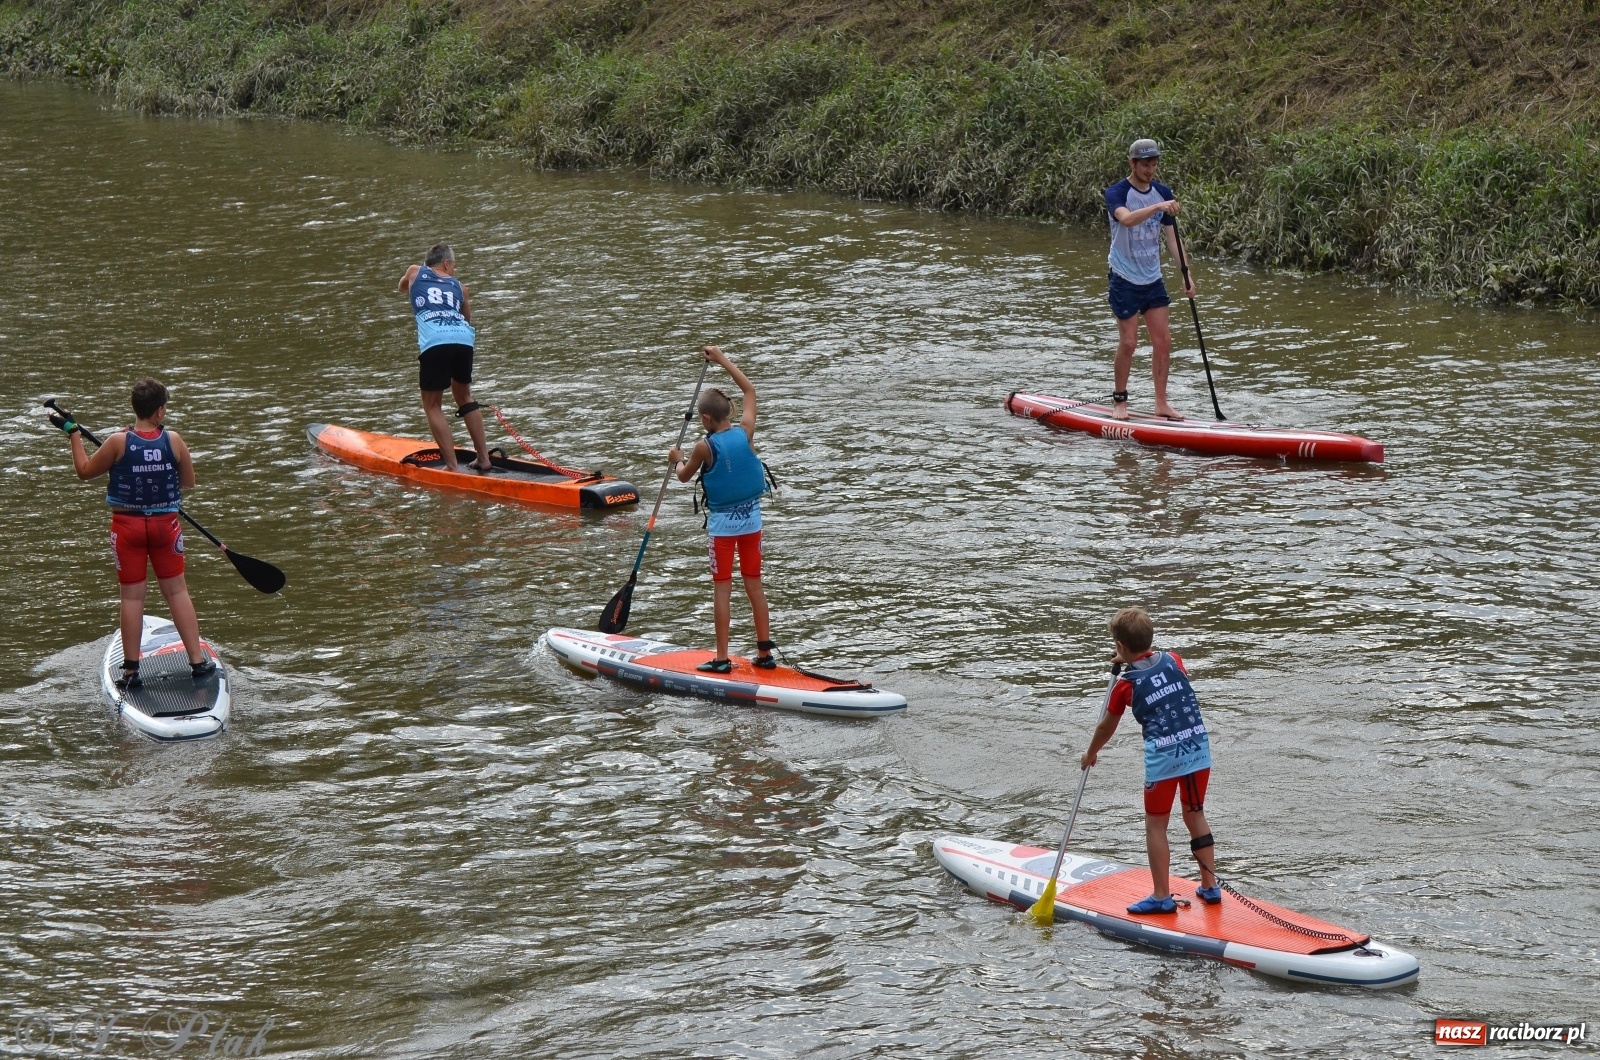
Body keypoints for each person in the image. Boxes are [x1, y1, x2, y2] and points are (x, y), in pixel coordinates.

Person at [54, 379, 216, 689]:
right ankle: (197, 663)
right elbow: (188, 483)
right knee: (177, 592)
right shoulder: (174, 440)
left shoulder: (117, 441)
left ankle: (130, 673)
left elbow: (84, 472)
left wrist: (74, 434)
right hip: (165, 527)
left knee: (131, 596)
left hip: (127, 528)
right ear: (158, 412)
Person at [1079, 607, 1221, 914]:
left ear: (1119, 646)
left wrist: (1091, 753)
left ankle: (1161, 896)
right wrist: (1131, 658)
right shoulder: (1176, 659)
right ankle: (1210, 888)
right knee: (1194, 813)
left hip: (1165, 759)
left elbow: (1106, 726)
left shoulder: (1125, 687)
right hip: (1198, 748)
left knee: (1156, 826)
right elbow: (1152, 662)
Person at [667, 346, 775, 674]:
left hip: (723, 532)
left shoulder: (703, 446)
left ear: (705, 419)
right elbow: (750, 389)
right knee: (754, 585)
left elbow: (685, 477)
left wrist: (677, 460)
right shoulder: (746, 430)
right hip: (752, 523)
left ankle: (722, 659)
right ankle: (764, 653)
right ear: (729, 411)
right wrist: (722, 359)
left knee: (723, 590)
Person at [1104, 138, 1194, 422]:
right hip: (1124, 277)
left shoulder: (1162, 192)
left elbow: (1172, 240)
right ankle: (1120, 402)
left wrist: (1186, 274)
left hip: (1152, 278)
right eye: (1145, 164)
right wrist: (1157, 207)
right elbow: (1127, 220)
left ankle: (1162, 404)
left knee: (1163, 340)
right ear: (1132, 163)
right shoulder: (1116, 193)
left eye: (1154, 164)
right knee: (1129, 343)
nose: (1150, 169)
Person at [398, 243, 493, 473]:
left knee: (432, 405)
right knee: (464, 396)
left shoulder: (414, 272)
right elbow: (466, 319)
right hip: (463, 340)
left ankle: (452, 466)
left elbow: (402, 287)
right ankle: (483, 459)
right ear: (447, 263)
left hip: (435, 341)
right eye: (454, 266)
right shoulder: (460, 287)